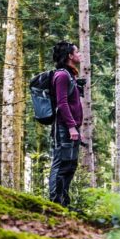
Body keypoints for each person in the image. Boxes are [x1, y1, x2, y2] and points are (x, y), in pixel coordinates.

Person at [49, 40, 84, 207]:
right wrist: (71, 127)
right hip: (64, 128)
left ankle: (64, 203)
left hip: (72, 128)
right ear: (70, 56)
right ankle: (55, 204)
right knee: (61, 164)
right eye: (77, 52)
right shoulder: (62, 76)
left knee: (70, 165)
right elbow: (62, 103)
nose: (79, 54)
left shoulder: (70, 75)